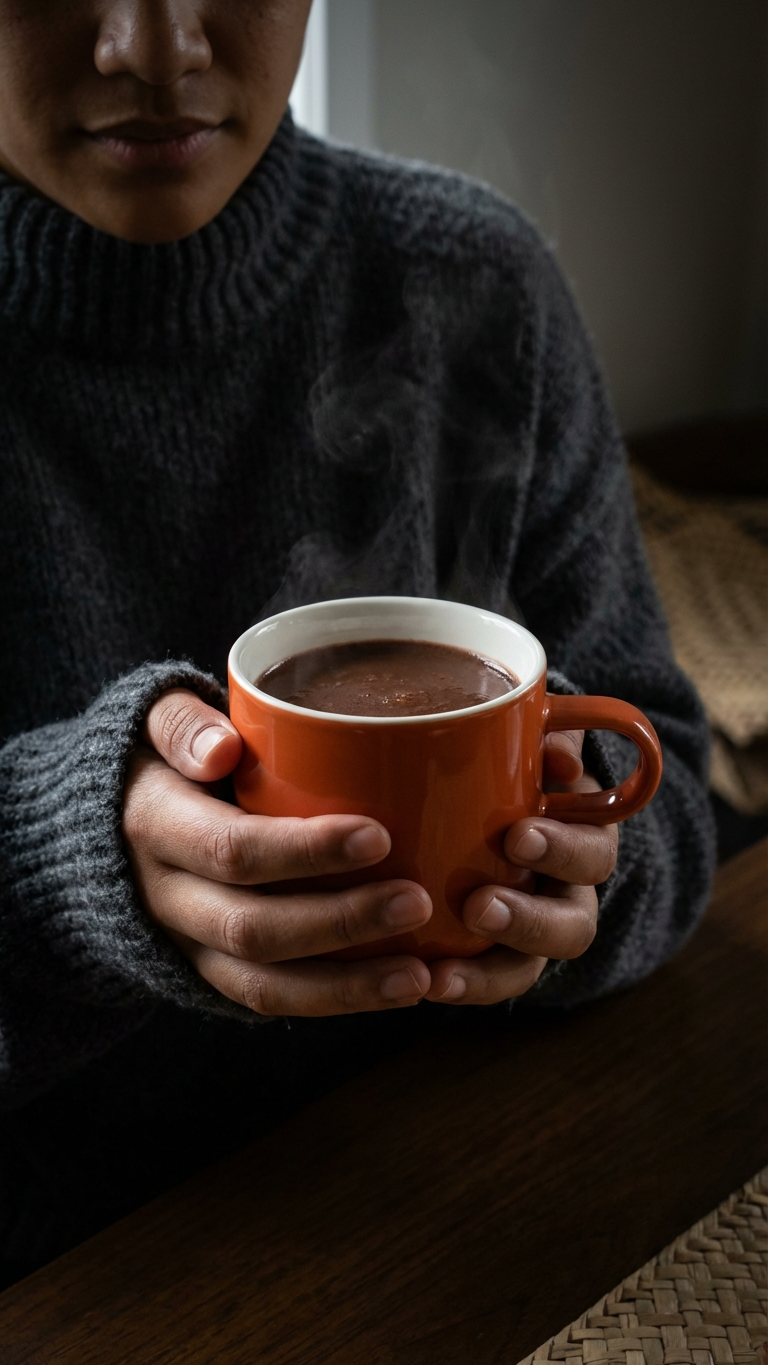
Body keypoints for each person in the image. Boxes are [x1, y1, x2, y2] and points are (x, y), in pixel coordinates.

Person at [0, 0, 715, 1283]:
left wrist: (575, 883)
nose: (153, 51)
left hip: (483, 1201)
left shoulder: (474, 281)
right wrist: (64, 876)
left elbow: (661, 771)